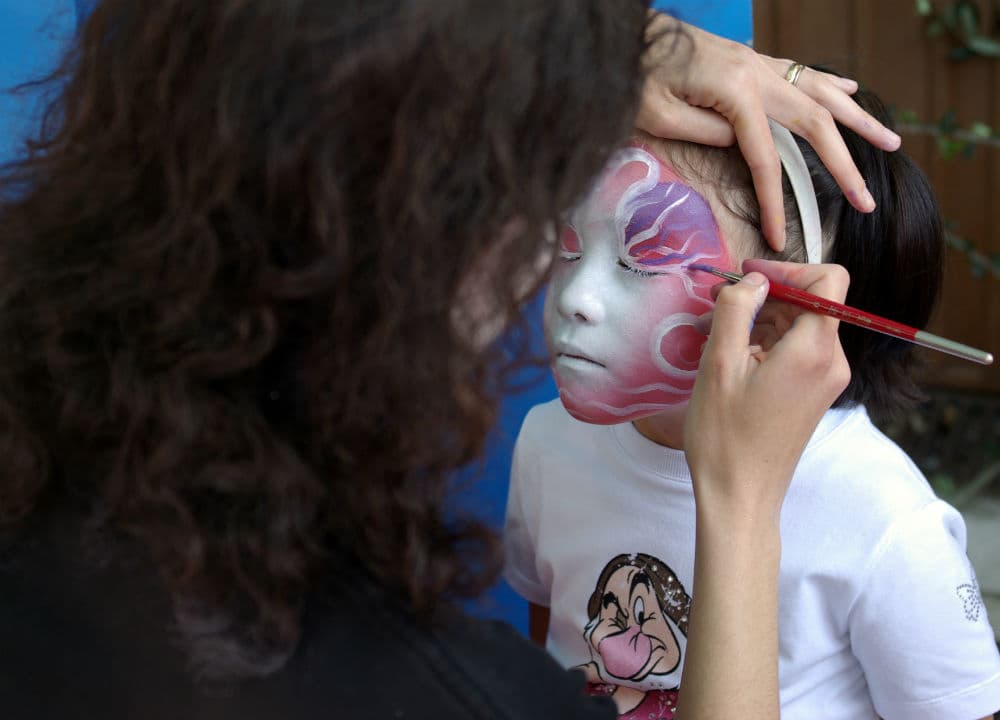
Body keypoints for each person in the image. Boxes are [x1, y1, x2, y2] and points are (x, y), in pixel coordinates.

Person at [0, 1, 887, 717]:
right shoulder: (442, 690)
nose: (561, 278)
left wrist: (592, 41)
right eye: (556, 225)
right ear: (444, 248)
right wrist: (738, 508)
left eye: (640, 257)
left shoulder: (39, 441)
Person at [503, 76, 1000, 720]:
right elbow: (555, 660)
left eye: (643, 261)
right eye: (570, 246)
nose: (573, 298)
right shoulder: (550, 443)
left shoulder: (884, 519)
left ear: (772, 307)